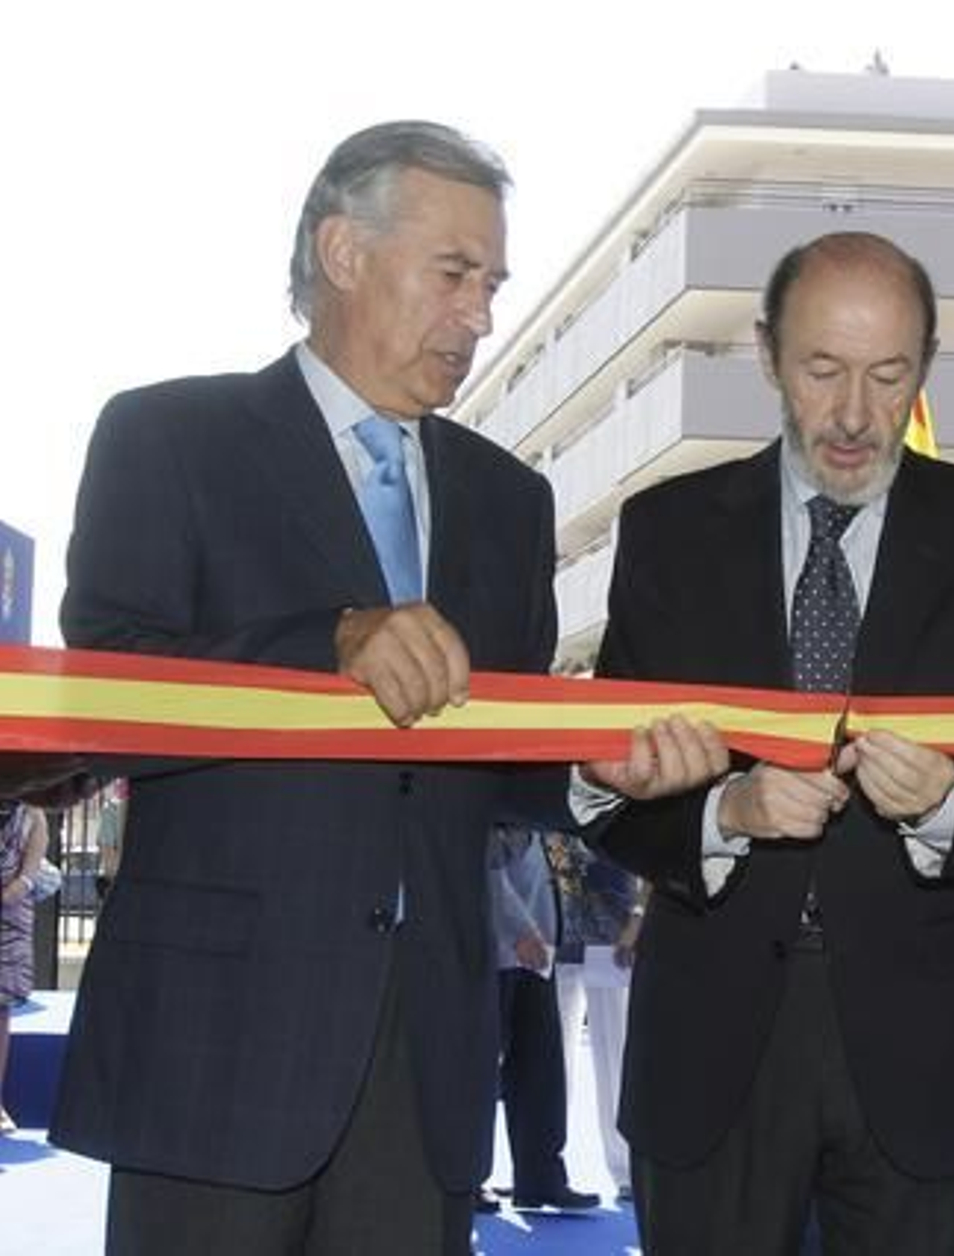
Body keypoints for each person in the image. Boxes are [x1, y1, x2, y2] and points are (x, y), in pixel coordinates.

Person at [52, 120, 724, 1256]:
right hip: (215, 1052)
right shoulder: (168, 437)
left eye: (492, 283)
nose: (480, 315)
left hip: (427, 1069)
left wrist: (594, 771)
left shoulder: (509, 499)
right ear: (343, 251)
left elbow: (495, 769)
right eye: (455, 274)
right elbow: (111, 690)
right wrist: (330, 640)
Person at [593, 230, 954, 1254]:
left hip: (925, 1050)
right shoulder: (666, 531)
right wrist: (726, 811)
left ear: (925, 369)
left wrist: (944, 802)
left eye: (888, 374)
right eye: (822, 369)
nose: (855, 414)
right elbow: (615, 797)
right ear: (766, 354)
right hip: (711, 1042)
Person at [483, 824, 600, 1214]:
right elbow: (486, 869)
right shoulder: (490, 803)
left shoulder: (533, 814)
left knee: (541, 1070)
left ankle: (540, 1179)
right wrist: (519, 931)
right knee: (478, 1076)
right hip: (496, 953)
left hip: (535, 955)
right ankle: (466, 1179)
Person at [547, 830, 642, 1202]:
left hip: (614, 934)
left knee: (616, 1055)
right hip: (554, 933)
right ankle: (542, 1167)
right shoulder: (544, 786)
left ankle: (625, 1168)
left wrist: (637, 920)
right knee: (552, 1060)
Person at [0, 800, 48, 1135]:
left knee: (0, 1011)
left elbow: (31, 871)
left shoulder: (31, 808)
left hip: (9, 920)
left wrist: (13, 891)